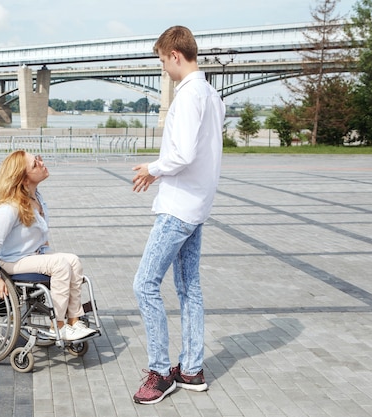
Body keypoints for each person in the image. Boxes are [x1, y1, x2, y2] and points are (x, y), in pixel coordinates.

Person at [131, 25, 225, 405]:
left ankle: (159, 372)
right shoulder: (211, 95)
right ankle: (191, 369)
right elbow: (202, 156)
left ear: (174, 54)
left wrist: (153, 169)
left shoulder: (188, 97)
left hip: (178, 209)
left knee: (144, 284)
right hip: (198, 205)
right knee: (189, 289)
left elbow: (183, 154)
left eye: (162, 61)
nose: (163, 70)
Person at [0, 150, 96, 341]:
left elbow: (40, 237)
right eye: (35, 164)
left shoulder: (37, 200)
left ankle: (74, 320)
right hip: (9, 260)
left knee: (73, 261)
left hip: (28, 257)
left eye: (39, 159)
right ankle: (58, 325)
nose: (42, 163)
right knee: (59, 264)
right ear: (24, 179)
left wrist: (46, 253)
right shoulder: (10, 208)